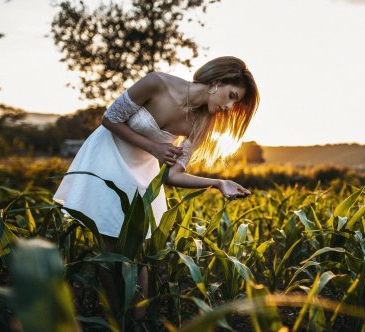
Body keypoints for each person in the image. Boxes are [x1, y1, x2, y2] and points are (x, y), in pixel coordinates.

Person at [52, 55, 259, 322]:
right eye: (231, 96)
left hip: (142, 172)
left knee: (135, 245)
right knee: (110, 243)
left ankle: (135, 320)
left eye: (236, 102)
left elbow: (173, 175)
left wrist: (218, 183)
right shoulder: (157, 82)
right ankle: (115, 319)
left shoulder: (202, 123)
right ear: (216, 82)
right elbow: (110, 119)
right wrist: (153, 147)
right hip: (107, 155)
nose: (230, 106)